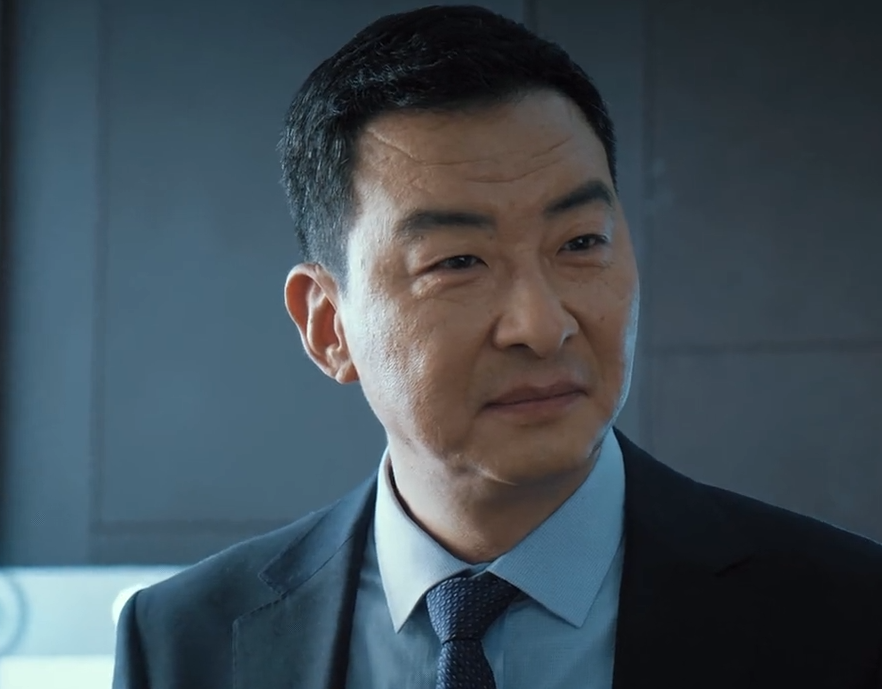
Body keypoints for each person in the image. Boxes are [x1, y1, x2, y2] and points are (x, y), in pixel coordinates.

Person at [112, 5, 882, 688]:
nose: (542, 326)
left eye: (580, 242)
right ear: (327, 324)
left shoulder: (846, 617)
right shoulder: (183, 642)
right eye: (457, 262)